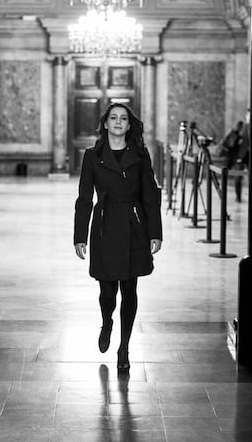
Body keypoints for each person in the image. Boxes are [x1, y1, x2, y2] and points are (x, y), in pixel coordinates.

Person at [74, 103, 163, 372]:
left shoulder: (140, 154)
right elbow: (84, 198)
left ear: (128, 125)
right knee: (107, 292)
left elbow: (150, 194)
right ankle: (107, 321)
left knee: (130, 289)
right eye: (113, 117)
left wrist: (155, 233)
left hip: (134, 226)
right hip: (104, 226)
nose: (118, 122)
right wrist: (80, 236)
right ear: (105, 123)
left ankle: (124, 347)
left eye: (123, 118)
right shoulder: (92, 155)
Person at [217, 108, 250, 202]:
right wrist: (239, 157)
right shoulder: (242, 128)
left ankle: (239, 196)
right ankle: (238, 197)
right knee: (238, 177)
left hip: (246, 156)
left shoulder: (244, 128)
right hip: (239, 156)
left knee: (240, 176)